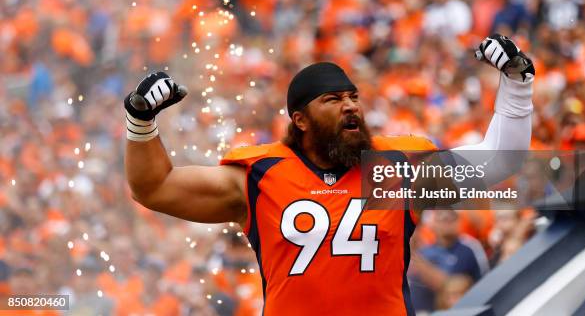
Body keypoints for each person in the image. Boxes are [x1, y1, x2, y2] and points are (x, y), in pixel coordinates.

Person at [124, 34, 535, 315]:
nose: (351, 105)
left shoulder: (400, 167)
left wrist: (517, 83)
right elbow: (154, 187)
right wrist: (141, 121)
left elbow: (501, 160)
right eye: (333, 99)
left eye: (354, 97)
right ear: (300, 120)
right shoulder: (261, 175)